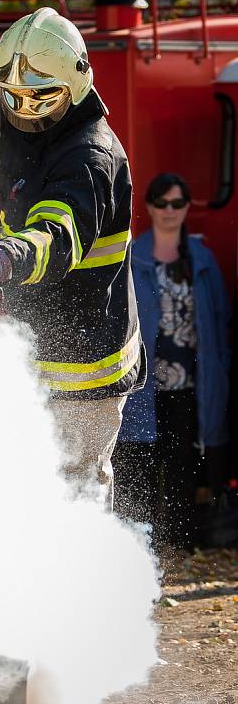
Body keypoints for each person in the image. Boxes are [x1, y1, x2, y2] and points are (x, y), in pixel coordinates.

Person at [0, 7, 145, 509]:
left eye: (41, 97)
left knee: (76, 492)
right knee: (32, 486)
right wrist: (0, 233)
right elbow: (22, 212)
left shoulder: (89, 156)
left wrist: (5, 257)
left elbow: (55, 236)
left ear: (77, 82)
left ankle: (86, 587)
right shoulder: (39, 138)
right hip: (41, 350)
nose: (26, 111)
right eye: (14, 98)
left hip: (86, 365)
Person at [115, 173, 231, 550]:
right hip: (144, 384)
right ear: (149, 207)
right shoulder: (135, 257)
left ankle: (180, 543)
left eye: (177, 203)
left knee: (183, 464)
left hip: (190, 384)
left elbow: (219, 317)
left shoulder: (201, 260)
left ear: (185, 209)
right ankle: (144, 546)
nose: (169, 210)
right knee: (142, 462)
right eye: (162, 203)